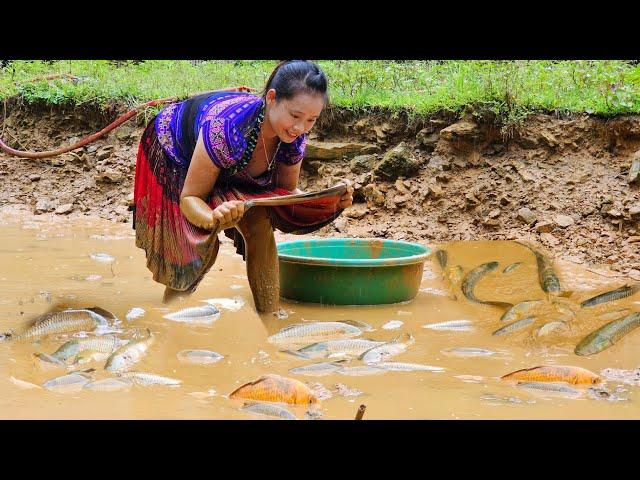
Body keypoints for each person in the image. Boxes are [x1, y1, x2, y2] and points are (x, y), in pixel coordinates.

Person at [133, 60, 354, 314]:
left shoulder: (294, 138)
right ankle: (169, 318)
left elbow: (283, 195)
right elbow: (190, 198)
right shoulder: (226, 127)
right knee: (197, 241)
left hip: (227, 162)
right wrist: (212, 217)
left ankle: (270, 317)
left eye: (311, 120)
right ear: (272, 98)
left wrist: (329, 201)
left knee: (259, 223)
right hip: (175, 149)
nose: (300, 128)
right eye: (295, 116)